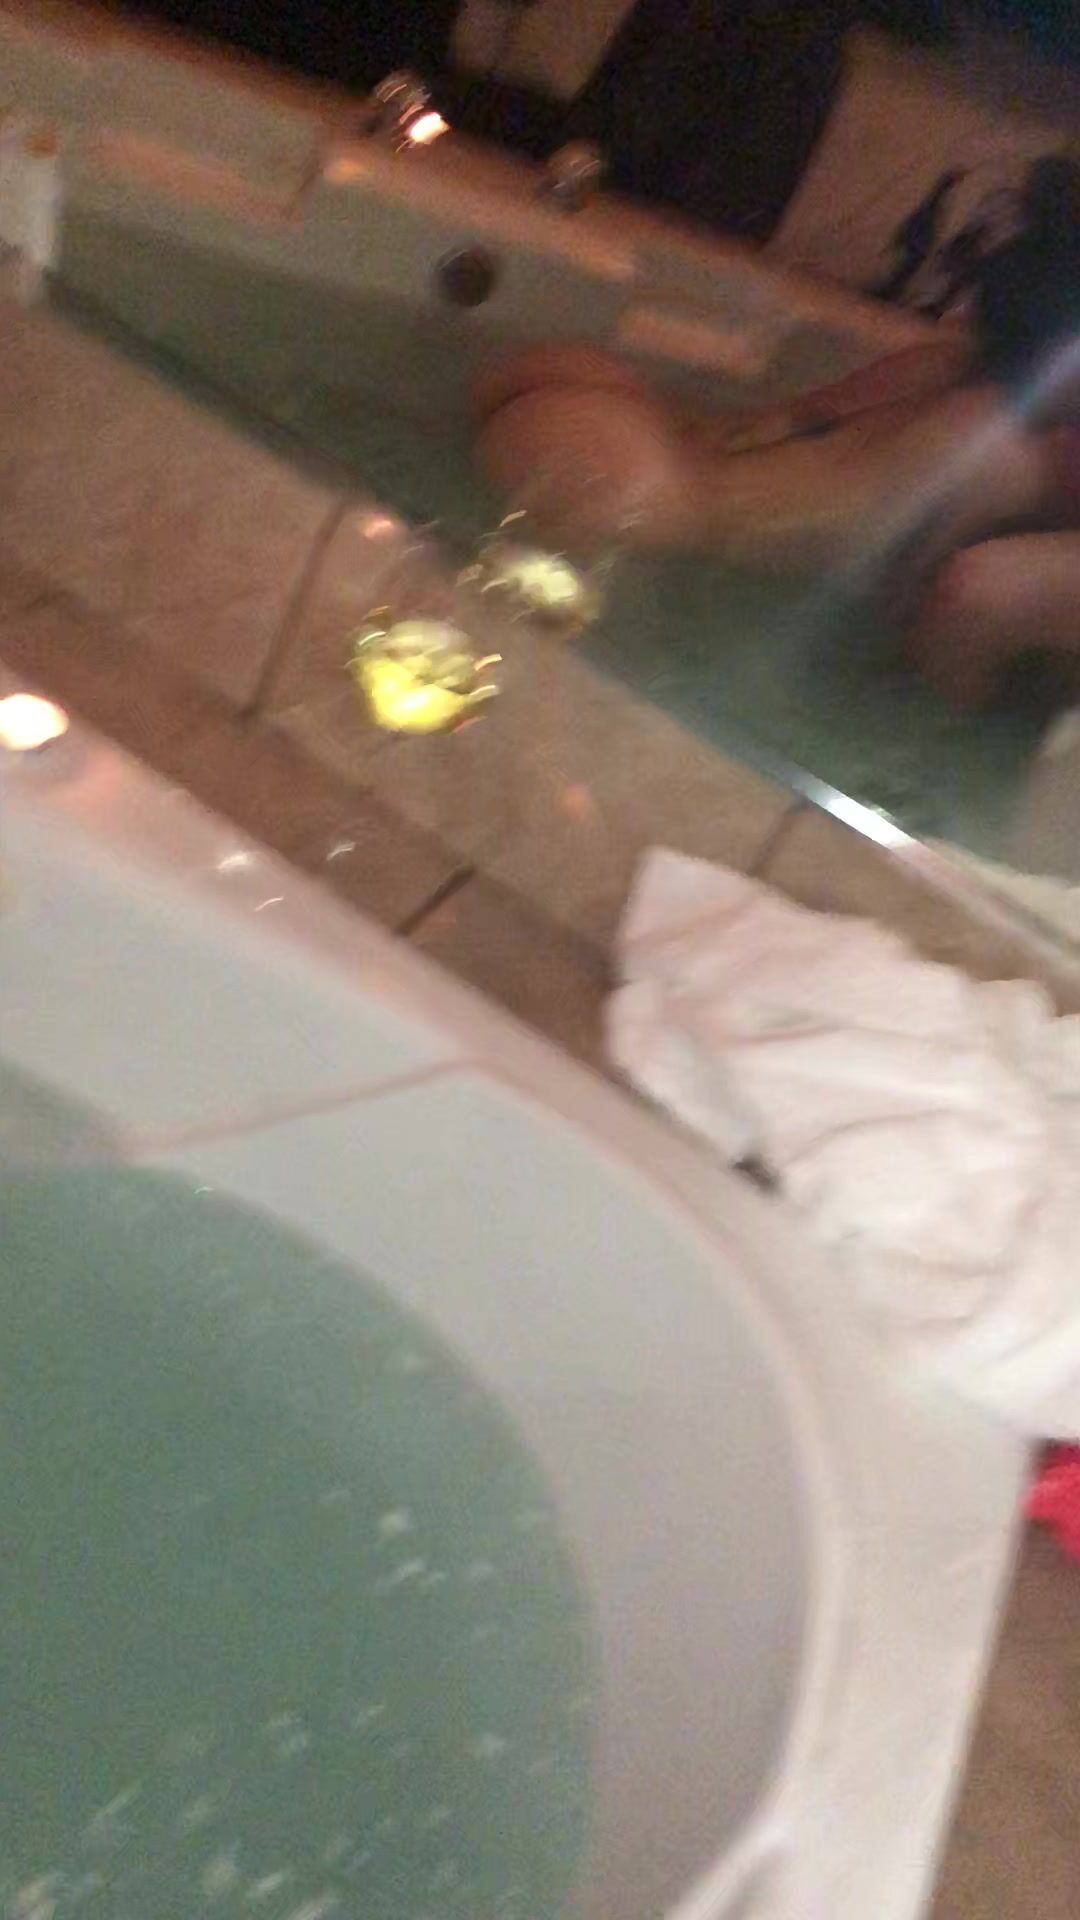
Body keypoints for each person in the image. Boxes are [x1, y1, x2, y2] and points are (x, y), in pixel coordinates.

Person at [475, 151, 1080, 703]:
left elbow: (790, 425)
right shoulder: (1033, 450)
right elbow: (957, 601)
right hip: (645, 502)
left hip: (610, 409)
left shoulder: (942, 366)